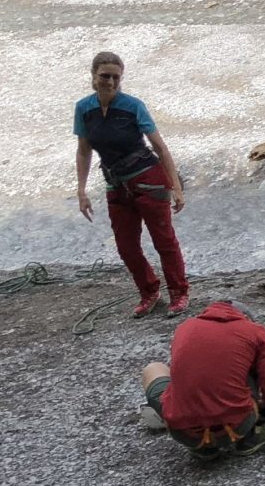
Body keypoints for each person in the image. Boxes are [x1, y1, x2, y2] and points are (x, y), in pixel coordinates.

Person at [74, 50, 189, 319]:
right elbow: (83, 150)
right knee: (126, 246)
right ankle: (149, 291)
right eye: (105, 76)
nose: (110, 82)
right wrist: (81, 190)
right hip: (115, 183)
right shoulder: (84, 109)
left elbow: (160, 147)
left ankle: (179, 292)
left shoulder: (133, 106)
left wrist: (176, 187)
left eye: (115, 77)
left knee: (164, 240)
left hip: (148, 179)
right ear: (93, 76)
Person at [140, 300, 265, 459]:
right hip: (236, 427)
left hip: (185, 432)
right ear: (245, 317)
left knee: (153, 369)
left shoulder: (185, 327)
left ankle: (203, 448)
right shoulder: (254, 331)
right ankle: (252, 435)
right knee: (243, 369)